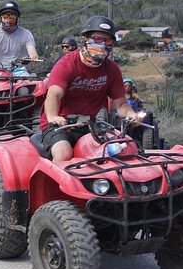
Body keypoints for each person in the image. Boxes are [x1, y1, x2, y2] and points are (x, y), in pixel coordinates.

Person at [40, 15, 143, 161]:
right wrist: (53, 117)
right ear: (86, 40)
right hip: (59, 126)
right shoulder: (67, 64)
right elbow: (54, 94)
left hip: (89, 126)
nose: (102, 44)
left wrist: (131, 114)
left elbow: (121, 104)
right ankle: (56, 184)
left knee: (119, 150)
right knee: (63, 154)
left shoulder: (112, 70)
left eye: (107, 40)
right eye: (97, 39)